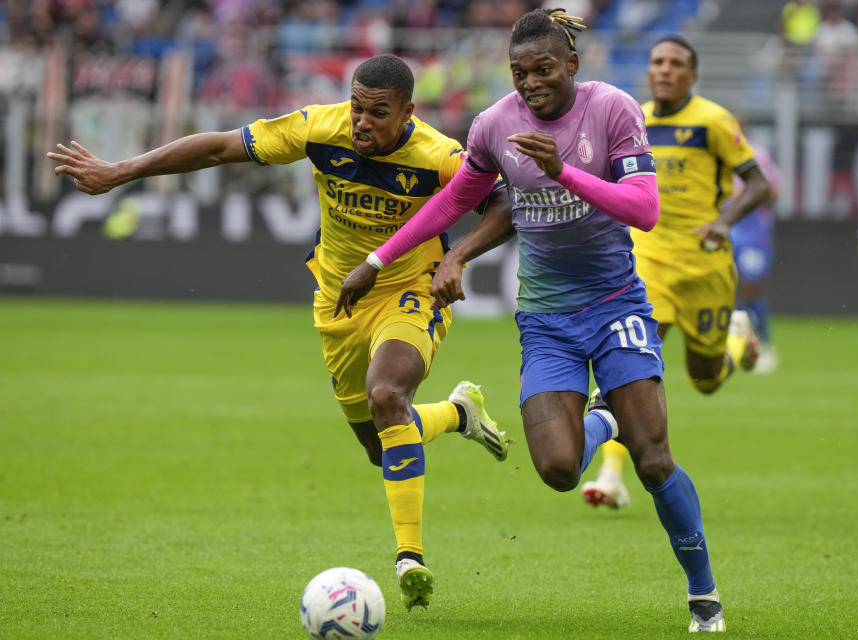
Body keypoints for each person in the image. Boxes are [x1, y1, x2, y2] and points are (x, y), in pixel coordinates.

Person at [47, 53, 512, 611]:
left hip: (407, 292)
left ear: (408, 111)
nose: (362, 121)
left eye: (378, 113)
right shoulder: (321, 127)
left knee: (388, 395)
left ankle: (409, 557)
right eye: (357, 108)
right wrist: (120, 171)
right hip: (338, 300)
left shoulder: (438, 156)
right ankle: (459, 414)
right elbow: (221, 146)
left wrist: (454, 257)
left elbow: (501, 204)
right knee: (380, 447)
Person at [338, 10, 727, 633]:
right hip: (546, 320)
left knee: (653, 459)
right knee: (557, 471)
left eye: (543, 69)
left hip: (617, 304)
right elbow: (454, 201)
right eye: (519, 72)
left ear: (572, 64)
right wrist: (378, 259)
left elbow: (646, 210)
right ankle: (605, 418)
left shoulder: (613, 110)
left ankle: (703, 596)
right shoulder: (495, 124)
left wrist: (563, 172)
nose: (530, 83)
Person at [581, 35, 771, 515]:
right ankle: (611, 475)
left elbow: (760, 184)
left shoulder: (713, 121)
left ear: (692, 74)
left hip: (705, 266)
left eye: (676, 63)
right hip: (645, 262)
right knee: (629, 367)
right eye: (657, 62)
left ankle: (735, 338)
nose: (664, 70)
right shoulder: (634, 119)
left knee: (705, 379)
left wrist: (725, 222)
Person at [729, 141, 781, 374]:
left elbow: (773, 191)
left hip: (753, 232)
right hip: (727, 228)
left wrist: (747, 195)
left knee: (751, 288)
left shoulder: (757, 155)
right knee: (728, 287)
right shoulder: (712, 152)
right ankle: (739, 343)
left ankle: (764, 343)